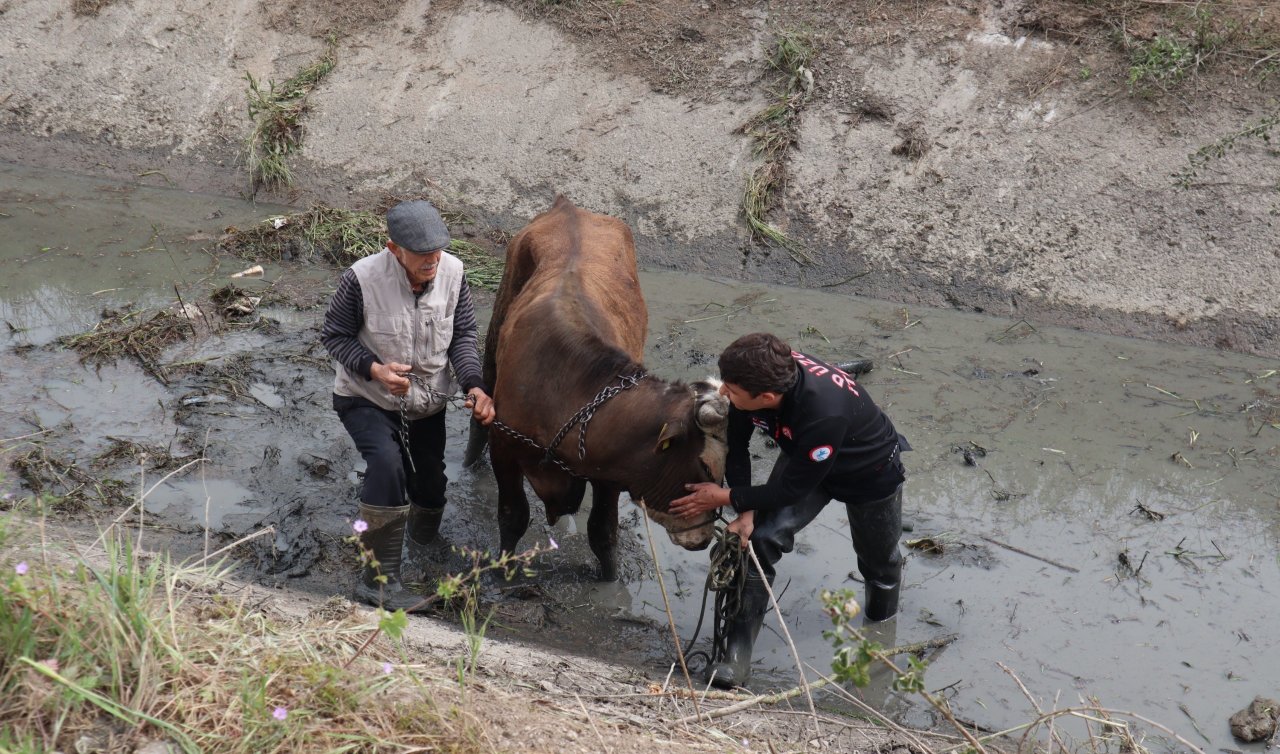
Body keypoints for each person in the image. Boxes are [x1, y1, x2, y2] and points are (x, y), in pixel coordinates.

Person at [670, 332, 908, 688]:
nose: (723, 394)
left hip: (868, 471)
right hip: (804, 454)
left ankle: (880, 633)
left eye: (731, 392)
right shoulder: (757, 377)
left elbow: (790, 490)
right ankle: (736, 657)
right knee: (760, 540)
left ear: (767, 397)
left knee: (880, 563)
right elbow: (738, 446)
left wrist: (722, 497)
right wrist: (744, 513)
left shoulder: (823, 413)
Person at [321, 199, 496, 611]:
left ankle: (423, 541)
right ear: (393, 248)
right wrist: (375, 369)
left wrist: (474, 384)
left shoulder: (453, 274)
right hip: (366, 396)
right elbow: (334, 336)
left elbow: (464, 334)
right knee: (387, 464)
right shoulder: (361, 278)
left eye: (438, 251)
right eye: (422, 254)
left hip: (427, 404)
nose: (433, 260)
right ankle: (377, 580)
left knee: (430, 486)